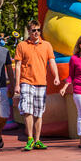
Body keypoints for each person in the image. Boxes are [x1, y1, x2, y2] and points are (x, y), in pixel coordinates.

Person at [14, 19, 60, 150]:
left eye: (38, 30)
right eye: (33, 30)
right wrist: (17, 84)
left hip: (41, 82)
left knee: (39, 112)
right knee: (27, 110)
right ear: (29, 31)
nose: (36, 32)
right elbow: (17, 66)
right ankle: (30, 139)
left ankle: (38, 140)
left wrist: (56, 76)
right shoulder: (22, 45)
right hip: (26, 81)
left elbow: (52, 62)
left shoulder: (47, 45)